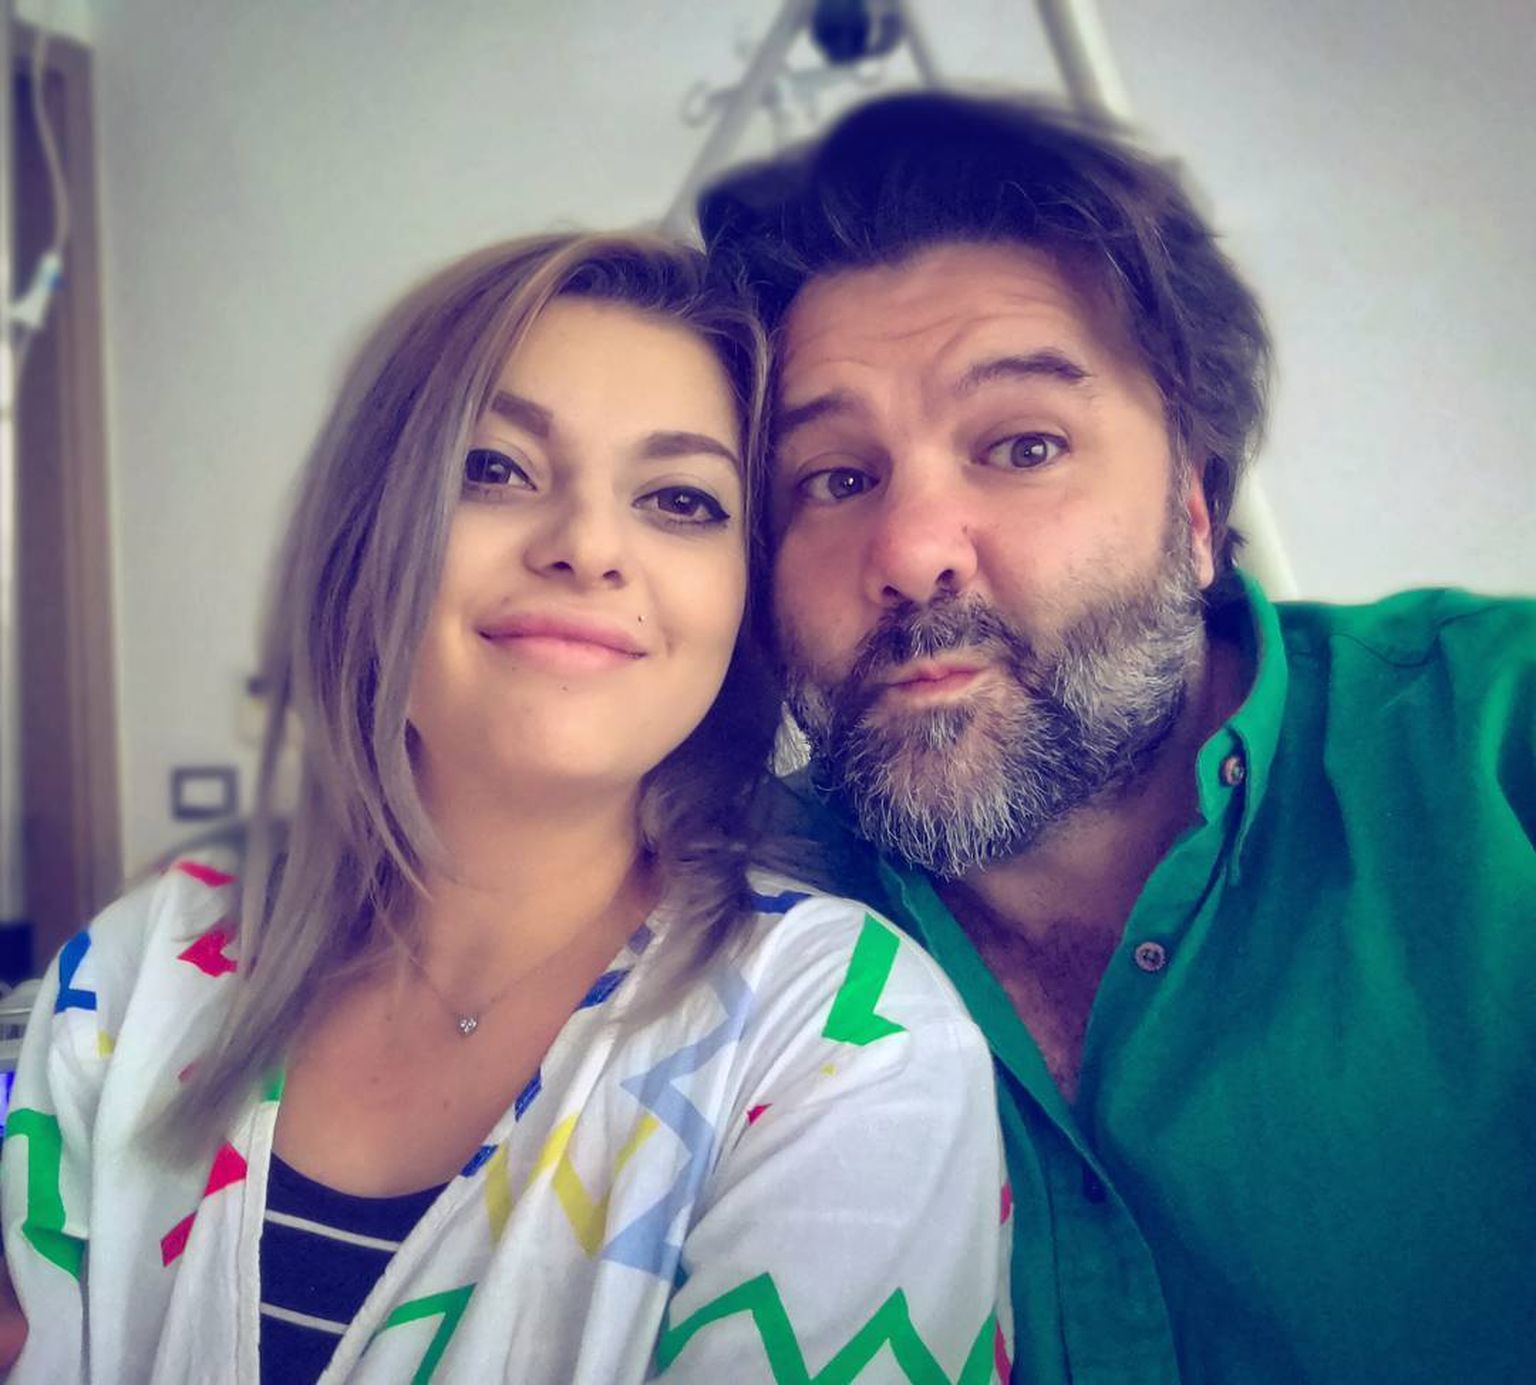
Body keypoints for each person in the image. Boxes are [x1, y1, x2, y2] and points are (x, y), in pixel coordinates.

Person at [0, 233, 1011, 1382]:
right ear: (368, 536)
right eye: (494, 468)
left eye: (681, 499)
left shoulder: (851, 1042)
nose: (587, 546)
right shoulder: (146, 963)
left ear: (743, 599)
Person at [700, 90, 1536, 1383]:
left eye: (1023, 445)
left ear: (1196, 511)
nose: (911, 549)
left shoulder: (1499, 744)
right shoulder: (710, 918)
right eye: (836, 479)